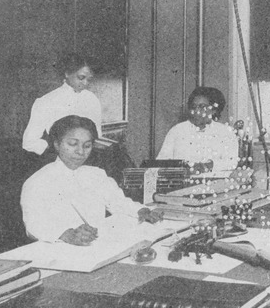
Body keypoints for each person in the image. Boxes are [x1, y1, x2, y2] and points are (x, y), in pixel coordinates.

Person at [21, 115, 162, 245]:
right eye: (72, 144)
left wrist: (142, 211)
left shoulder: (96, 174)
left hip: (96, 246)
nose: (80, 152)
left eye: (87, 146)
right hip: (58, 250)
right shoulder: (37, 182)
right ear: (57, 144)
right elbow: (33, 225)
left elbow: (118, 202)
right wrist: (65, 234)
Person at [22, 53, 103, 157]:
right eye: (81, 77)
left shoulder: (92, 99)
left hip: (88, 157)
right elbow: (29, 143)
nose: (85, 83)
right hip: (57, 159)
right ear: (67, 73)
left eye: (89, 79)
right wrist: (52, 147)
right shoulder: (46, 101)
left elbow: (98, 134)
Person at [157, 86, 239, 172]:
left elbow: (232, 162)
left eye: (202, 106)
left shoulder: (225, 132)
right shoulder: (177, 131)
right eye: (194, 106)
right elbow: (161, 161)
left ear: (213, 110)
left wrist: (208, 165)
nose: (196, 111)